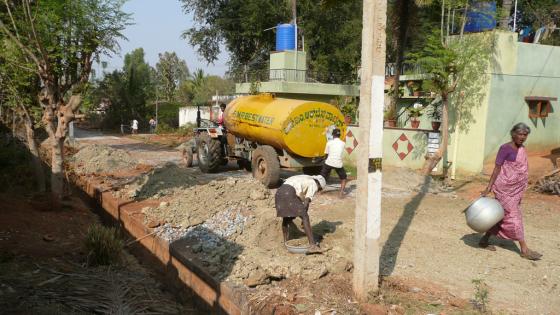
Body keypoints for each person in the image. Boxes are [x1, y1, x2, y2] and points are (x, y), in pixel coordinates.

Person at [480, 122, 542, 260]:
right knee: (514, 216)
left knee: (499, 215)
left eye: (525, 135)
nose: (522, 137)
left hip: (515, 190)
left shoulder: (522, 149)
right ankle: (524, 249)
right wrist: (488, 187)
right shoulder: (505, 148)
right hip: (504, 189)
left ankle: (484, 240)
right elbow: (497, 168)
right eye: (520, 134)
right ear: (513, 134)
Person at [275, 174, 326, 253]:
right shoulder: (313, 183)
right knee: (305, 217)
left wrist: (300, 212)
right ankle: (312, 245)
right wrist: (303, 218)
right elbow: (306, 202)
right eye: (319, 189)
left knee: (286, 218)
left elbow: (297, 196)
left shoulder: (303, 178)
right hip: (289, 192)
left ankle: (285, 243)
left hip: (279, 192)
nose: (318, 191)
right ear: (319, 184)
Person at [320, 128, 347, 197]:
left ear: (333, 135)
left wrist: (324, 161)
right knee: (343, 178)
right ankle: (341, 193)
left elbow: (326, 154)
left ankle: (320, 190)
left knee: (322, 176)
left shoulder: (329, 143)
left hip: (329, 162)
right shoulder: (343, 143)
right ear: (339, 135)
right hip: (338, 164)